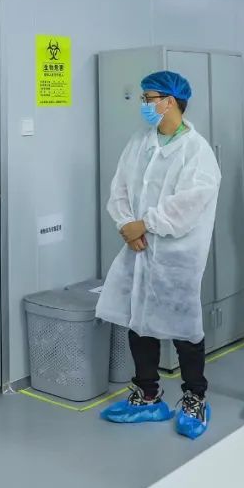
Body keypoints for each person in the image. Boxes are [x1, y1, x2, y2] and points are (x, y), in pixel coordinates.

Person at [97, 71, 221, 439]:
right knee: (139, 320)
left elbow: (190, 204)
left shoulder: (196, 150)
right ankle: (147, 395)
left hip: (177, 255)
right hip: (138, 247)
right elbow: (119, 188)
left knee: (185, 328)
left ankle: (195, 398)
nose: (144, 104)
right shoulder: (140, 141)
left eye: (148, 98)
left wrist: (145, 224)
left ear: (170, 101)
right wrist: (127, 224)